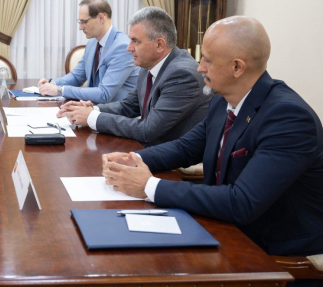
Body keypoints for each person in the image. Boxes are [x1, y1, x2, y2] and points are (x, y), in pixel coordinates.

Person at [102, 16, 323, 260]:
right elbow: (185, 148)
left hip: (271, 246)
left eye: (207, 60)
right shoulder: (221, 100)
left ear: (237, 67)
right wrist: (131, 159)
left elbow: (242, 203)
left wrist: (149, 186)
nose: (199, 68)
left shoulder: (288, 118)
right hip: (222, 225)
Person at [59, 7, 211, 146]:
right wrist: (92, 109)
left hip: (173, 157)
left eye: (135, 41)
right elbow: (128, 106)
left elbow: (148, 130)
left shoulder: (182, 75)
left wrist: (92, 117)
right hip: (150, 147)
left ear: (159, 45)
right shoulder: (147, 65)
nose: (129, 48)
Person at [38, 0, 138, 104]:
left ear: (101, 18)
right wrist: (52, 83)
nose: (80, 27)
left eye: (84, 22)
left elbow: (104, 94)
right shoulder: (92, 43)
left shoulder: (122, 47)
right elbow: (77, 77)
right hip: (93, 108)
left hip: (115, 112)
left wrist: (60, 90)